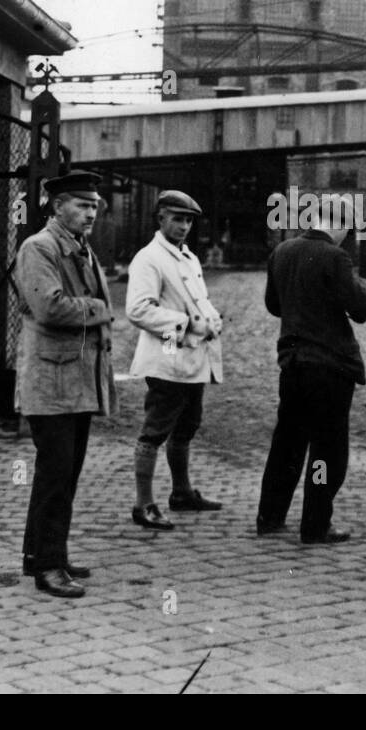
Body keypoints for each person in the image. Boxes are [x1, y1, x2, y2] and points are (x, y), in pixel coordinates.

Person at [15, 170, 117, 599]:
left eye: (94, 206)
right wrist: (99, 308)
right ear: (57, 207)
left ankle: (40, 554)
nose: (90, 213)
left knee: (63, 474)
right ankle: (50, 568)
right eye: (82, 204)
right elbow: (49, 307)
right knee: (57, 475)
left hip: (74, 381)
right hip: (51, 381)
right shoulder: (39, 247)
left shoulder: (79, 247)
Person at [258, 196, 366, 544]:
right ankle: (315, 524)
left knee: (287, 444)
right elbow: (362, 309)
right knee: (327, 450)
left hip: (292, 365)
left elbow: (273, 304)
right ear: (340, 226)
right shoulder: (335, 257)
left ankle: (270, 517)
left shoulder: (282, 252)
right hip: (329, 369)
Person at [125, 190, 224, 531]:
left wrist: (212, 317)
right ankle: (143, 503)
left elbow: (199, 300)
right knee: (157, 427)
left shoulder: (188, 258)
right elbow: (139, 309)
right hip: (166, 350)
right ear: (161, 218)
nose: (183, 226)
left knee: (186, 424)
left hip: (192, 355)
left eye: (188, 221)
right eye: (177, 219)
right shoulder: (149, 258)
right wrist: (187, 325)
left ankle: (181, 493)